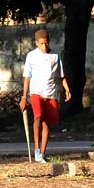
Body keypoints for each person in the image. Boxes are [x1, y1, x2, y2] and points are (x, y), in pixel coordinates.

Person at [20, 28, 71, 163]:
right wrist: (24, 97)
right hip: (36, 92)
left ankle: (42, 153)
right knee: (38, 117)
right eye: (41, 43)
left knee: (47, 123)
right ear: (36, 43)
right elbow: (27, 77)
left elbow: (61, 75)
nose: (44, 46)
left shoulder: (55, 55)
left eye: (46, 43)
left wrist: (66, 89)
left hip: (51, 93)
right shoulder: (31, 56)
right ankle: (36, 149)